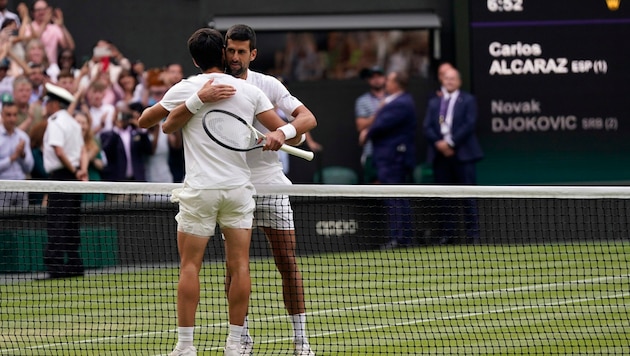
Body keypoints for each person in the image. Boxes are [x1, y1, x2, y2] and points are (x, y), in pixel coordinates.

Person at [137, 27, 296, 356]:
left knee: (189, 267)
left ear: (194, 60)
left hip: (200, 190)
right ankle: (235, 344)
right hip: (238, 191)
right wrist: (283, 135)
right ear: (224, 55)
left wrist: (192, 101)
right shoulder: (249, 92)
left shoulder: (183, 88)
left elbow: (146, 121)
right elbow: (284, 129)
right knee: (240, 266)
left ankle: (184, 347)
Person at [223, 24, 318, 356]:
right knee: (235, 266)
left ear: (253, 54)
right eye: (230, 50)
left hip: (271, 183)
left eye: (240, 52)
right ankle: (241, 338)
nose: (234, 57)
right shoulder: (215, 86)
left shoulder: (268, 84)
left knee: (287, 261)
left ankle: (301, 340)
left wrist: (285, 131)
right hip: (234, 187)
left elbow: (307, 118)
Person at [422, 67, 483, 245]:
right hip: (440, 157)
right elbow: (427, 127)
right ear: (443, 81)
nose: (449, 82)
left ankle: (473, 236)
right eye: (447, 79)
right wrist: (440, 144)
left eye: (453, 79)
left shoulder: (468, 100)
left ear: (459, 82)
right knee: (444, 197)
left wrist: (451, 142)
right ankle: (447, 235)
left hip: (462, 155)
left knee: (468, 196)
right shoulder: (434, 103)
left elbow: (469, 124)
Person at [41, 82, 88, 279]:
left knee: (58, 222)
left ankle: (57, 266)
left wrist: (75, 170)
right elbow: (83, 150)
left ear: (54, 104)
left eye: (47, 102)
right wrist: (81, 171)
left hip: (61, 178)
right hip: (74, 178)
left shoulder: (55, 122)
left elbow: (59, 150)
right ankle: (74, 264)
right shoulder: (73, 123)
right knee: (70, 222)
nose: (45, 106)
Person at [366, 70, 417, 248]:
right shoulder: (392, 101)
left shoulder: (401, 103)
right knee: (394, 196)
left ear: (397, 84)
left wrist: (366, 133)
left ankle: (401, 238)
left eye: (389, 80)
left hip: (394, 158)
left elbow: (379, 125)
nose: (386, 82)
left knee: (396, 196)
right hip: (388, 157)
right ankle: (400, 237)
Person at [355, 65, 386, 184]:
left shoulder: (393, 98)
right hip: (371, 152)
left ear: (385, 78)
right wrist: (381, 112)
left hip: (391, 152)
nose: (376, 79)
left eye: (379, 76)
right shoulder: (362, 101)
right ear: (368, 80)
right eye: (372, 77)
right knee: (374, 187)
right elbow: (360, 125)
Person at [0, 99, 34, 207]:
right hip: (2, 187)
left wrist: (22, 155)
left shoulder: (23, 137)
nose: (12, 118)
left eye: (14, 115)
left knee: (22, 222)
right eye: (8, 115)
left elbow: (29, 168)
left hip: (21, 187)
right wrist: (12, 158)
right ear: (2, 115)